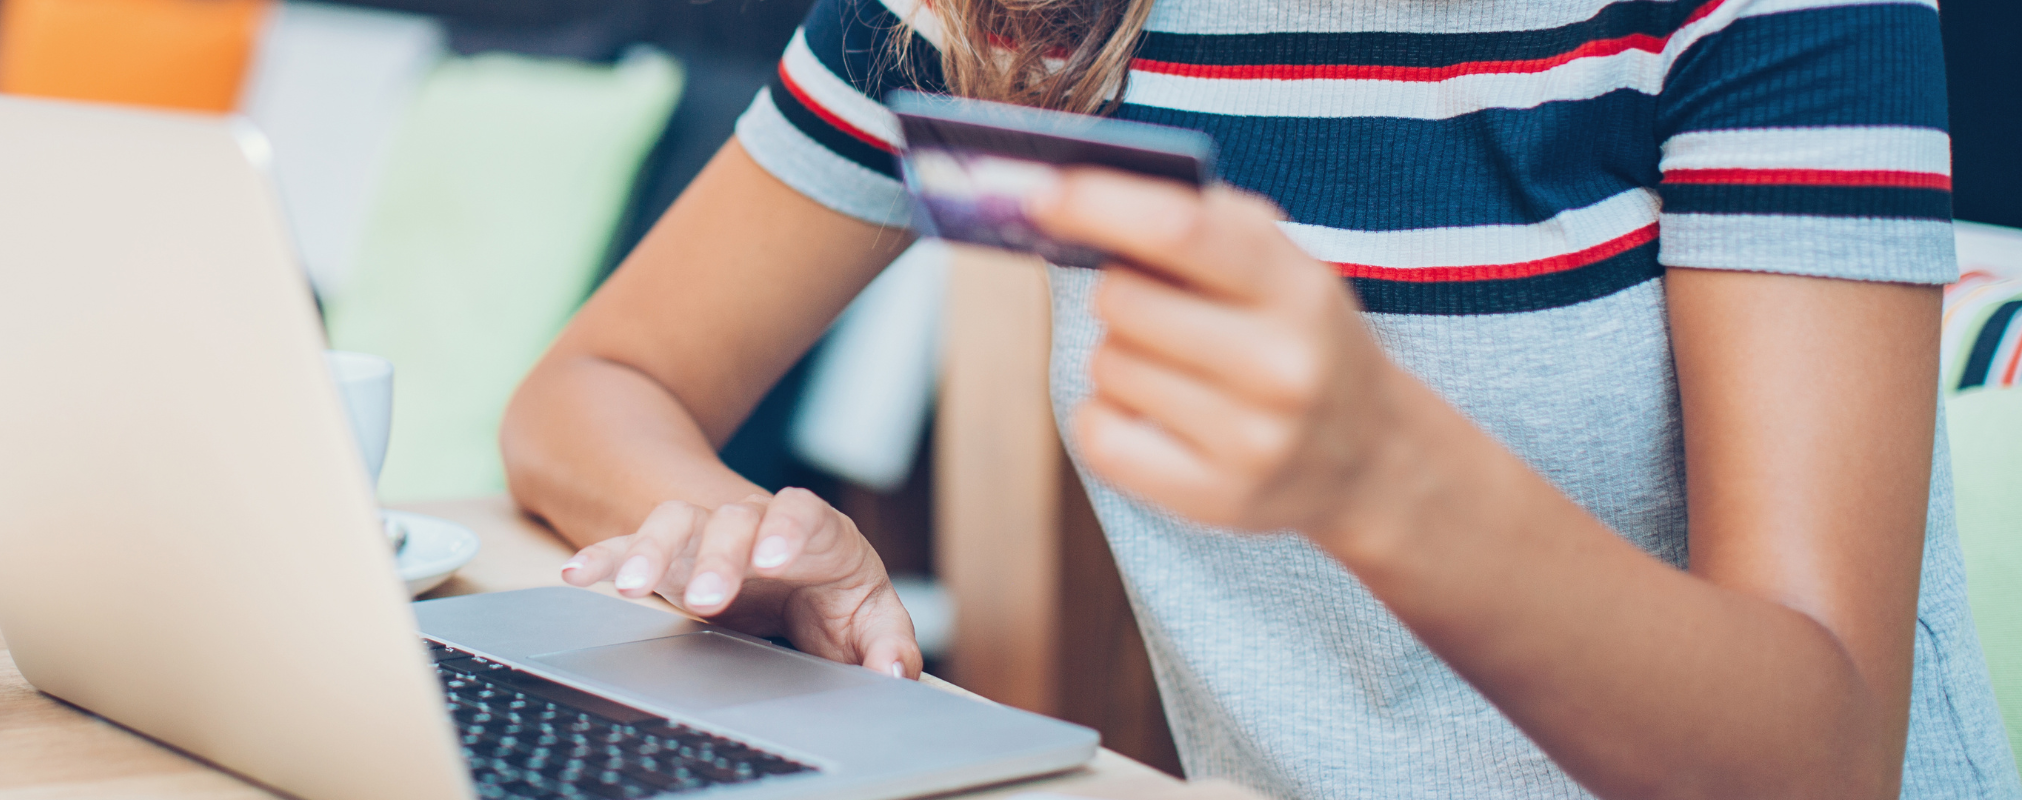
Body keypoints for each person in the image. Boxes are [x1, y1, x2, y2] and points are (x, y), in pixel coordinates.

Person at [498, 0, 2022, 795]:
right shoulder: (1004, 18)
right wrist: (729, 538)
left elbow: (1815, 768)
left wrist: (1386, 478)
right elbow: (596, 386)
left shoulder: (1757, 12)